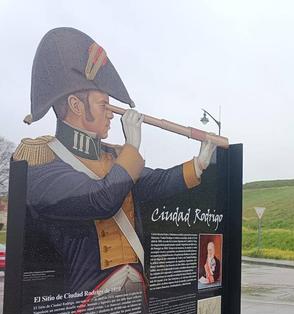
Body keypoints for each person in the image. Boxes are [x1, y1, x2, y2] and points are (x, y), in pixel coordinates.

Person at [14, 27, 217, 296]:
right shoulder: (42, 161)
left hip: (133, 293)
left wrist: (199, 163)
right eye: (104, 106)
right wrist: (132, 147)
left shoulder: (114, 157)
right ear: (76, 105)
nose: (112, 114)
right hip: (82, 305)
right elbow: (101, 200)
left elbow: (153, 182)